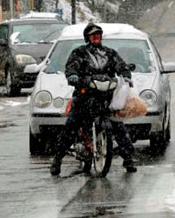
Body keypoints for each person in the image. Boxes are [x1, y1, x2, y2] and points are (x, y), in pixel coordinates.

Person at [50, 23, 137, 176]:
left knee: (118, 125)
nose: (96, 37)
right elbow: (72, 67)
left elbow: (121, 66)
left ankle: (128, 158)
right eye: (93, 35)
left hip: (106, 98)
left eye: (98, 34)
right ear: (87, 38)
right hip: (85, 97)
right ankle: (57, 159)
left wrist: (126, 75)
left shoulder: (110, 53)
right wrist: (73, 75)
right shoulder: (79, 53)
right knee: (72, 125)